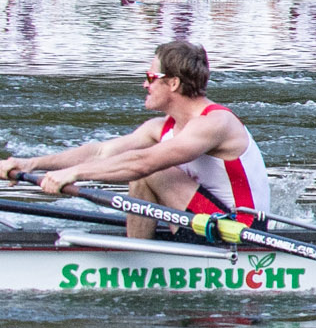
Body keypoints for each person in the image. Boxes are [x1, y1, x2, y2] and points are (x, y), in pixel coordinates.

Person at [3, 40, 271, 235]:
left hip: (242, 230)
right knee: (141, 168)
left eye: (150, 77)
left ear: (174, 83)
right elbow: (100, 152)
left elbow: (143, 163)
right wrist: (31, 164)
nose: (145, 84)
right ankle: (139, 250)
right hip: (205, 221)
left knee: (148, 171)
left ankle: (137, 262)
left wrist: (75, 174)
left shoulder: (215, 123)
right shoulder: (159, 127)